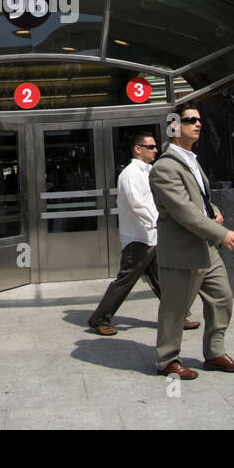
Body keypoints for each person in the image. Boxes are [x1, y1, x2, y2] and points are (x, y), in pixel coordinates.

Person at [149, 105, 234, 380]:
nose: (198, 124)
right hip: (182, 251)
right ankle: (167, 360)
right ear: (174, 126)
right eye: (191, 120)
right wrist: (221, 233)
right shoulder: (164, 167)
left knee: (222, 297)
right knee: (175, 309)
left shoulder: (191, 159)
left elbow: (198, 200)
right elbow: (183, 210)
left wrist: (212, 209)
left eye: (199, 120)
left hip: (205, 248)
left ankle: (214, 353)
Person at [88, 131, 201, 335]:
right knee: (125, 281)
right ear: (137, 149)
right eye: (150, 147)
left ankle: (178, 316)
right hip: (138, 238)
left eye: (155, 146)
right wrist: (157, 223)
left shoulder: (149, 171)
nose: (155, 150)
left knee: (162, 281)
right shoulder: (130, 174)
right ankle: (99, 318)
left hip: (153, 236)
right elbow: (136, 204)